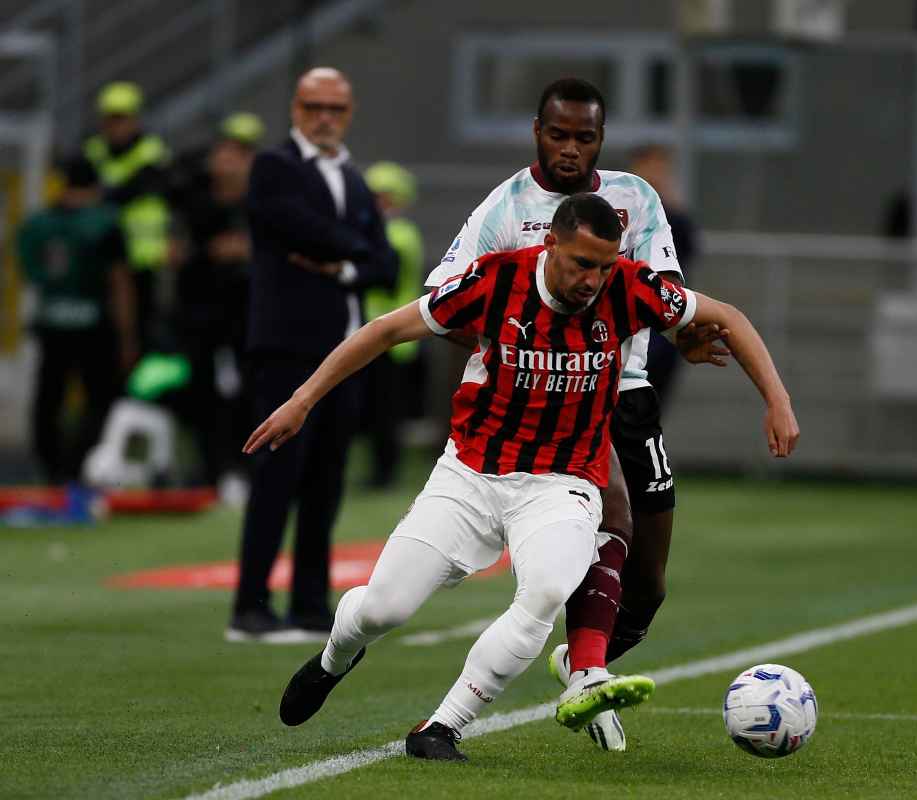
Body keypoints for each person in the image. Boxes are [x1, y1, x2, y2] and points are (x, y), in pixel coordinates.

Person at [252, 193, 798, 761]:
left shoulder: (631, 287)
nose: (593, 280)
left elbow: (728, 317)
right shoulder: (494, 281)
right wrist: (301, 400)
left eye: (605, 266)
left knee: (546, 593)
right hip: (470, 474)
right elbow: (386, 330)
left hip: (562, 482)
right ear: (550, 244)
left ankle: (441, 727)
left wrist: (777, 400)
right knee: (382, 611)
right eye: (582, 264)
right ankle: (335, 658)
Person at [426, 78, 723, 750]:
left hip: (629, 391)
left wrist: (682, 334)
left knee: (649, 582)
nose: (569, 148)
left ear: (600, 139)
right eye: (558, 134)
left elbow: (664, 291)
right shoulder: (504, 206)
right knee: (607, 519)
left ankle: (582, 661)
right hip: (550, 399)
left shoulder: (636, 199)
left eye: (583, 137)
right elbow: (443, 299)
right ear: (537, 132)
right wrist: (516, 350)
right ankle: (584, 670)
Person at [227, 68, 398, 643]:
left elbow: (386, 264)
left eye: (335, 108)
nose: (325, 117)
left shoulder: (350, 176)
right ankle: (250, 607)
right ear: (295, 109)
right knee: (276, 478)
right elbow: (297, 227)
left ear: (349, 113)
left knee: (326, 482)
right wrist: (357, 250)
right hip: (288, 349)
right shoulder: (274, 166)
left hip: (343, 355)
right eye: (314, 106)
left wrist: (345, 265)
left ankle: (308, 604)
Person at [17, 157, 138, 483]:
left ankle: (50, 470)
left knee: (48, 399)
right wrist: (127, 335)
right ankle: (77, 466)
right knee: (98, 400)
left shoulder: (37, 223)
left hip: (51, 322)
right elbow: (119, 281)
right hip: (92, 324)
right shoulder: (105, 223)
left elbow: (29, 272)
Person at [169, 113, 264, 498]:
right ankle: (208, 468)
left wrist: (250, 251)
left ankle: (243, 467)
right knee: (200, 390)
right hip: (201, 312)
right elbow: (178, 250)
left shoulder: (263, 204)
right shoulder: (195, 201)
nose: (229, 162)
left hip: (247, 314)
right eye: (225, 153)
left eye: (239, 154)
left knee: (247, 390)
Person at [83, 81, 172, 345]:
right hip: (100, 256)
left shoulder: (153, 152)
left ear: (135, 119)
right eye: (110, 118)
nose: (114, 125)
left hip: (143, 258)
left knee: (144, 330)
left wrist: (100, 194)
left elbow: (130, 191)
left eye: (121, 118)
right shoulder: (92, 150)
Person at [360, 161, 426, 488]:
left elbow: (384, 280)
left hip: (390, 337)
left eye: (380, 196)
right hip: (384, 335)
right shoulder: (395, 232)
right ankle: (380, 471)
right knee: (379, 409)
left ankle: (384, 474)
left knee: (385, 411)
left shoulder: (396, 235)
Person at [628, 144, 701, 406]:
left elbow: (689, 255)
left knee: (652, 403)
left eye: (660, 168)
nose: (654, 175)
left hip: (665, 321)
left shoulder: (676, 219)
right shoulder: (623, 216)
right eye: (649, 167)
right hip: (631, 321)